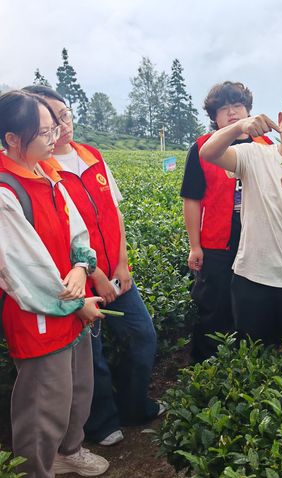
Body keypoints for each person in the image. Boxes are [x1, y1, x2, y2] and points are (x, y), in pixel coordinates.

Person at [23, 85, 161, 447]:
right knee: (91, 358)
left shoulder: (92, 155)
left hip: (114, 274)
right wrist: (95, 273)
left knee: (142, 336)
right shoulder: (41, 169)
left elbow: (114, 212)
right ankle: (101, 424)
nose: (63, 125)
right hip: (78, 282)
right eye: (51, 120)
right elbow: (61, 235)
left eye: (65, 115)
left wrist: (122, 264)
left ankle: (134, 406)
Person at [0, 90, 108, 476]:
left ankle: (69, 452)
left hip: (71, 303)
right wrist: (77, 303)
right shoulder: (6, 191)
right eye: (44, 131)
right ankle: (35, 471)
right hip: (40, 314)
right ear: (13, 139)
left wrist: (81, 267)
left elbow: (76, 229)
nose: (55, 136)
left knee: (77, 389)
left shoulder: (47, 174)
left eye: (55, 127)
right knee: (43, 405)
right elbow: (25, 269)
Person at [200, 96, 282, 345]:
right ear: (280, 120)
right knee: (252, 358)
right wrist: (239, 126)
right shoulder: (253, 154)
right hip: (251, 279)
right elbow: (208, 152)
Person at [180, 81, 271, 363]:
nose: (232, 113)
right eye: (224, 108)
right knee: (213, 306)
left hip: (256, 240)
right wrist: (195, 245)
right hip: (217, 240)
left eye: (238, 106)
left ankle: (248, 368)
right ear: (214, 116)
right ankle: (205, 366)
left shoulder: (267, 147)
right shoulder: (202, 148)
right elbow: (192, 199)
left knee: (254, 305)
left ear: (248, 110)